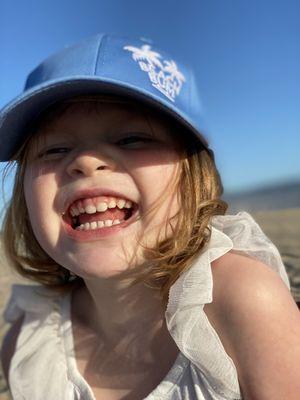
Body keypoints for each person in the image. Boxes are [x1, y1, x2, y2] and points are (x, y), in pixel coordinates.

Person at [0, 34, 299, 400]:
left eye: (132, 139)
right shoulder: (29, 340)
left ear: (195, 174)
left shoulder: (241, 302)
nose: (85, 161)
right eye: (55, 149)